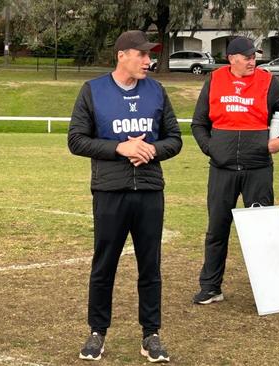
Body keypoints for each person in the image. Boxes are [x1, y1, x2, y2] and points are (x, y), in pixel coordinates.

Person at [68, 30, 182, 363]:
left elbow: (174, 139)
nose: (149, 61)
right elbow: (76, 140)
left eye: (150, 55)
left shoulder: (157, 90)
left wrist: (150, 150)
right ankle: (96, 333)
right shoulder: (93, 90)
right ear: (122, 55)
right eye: (143, 55)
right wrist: (120, 147)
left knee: (151, 267)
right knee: (104, 266)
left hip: (149, 192)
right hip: (110, 192)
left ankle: (151, 335)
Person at [191, 37, 279, 305]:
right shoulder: (214, 80)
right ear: (232, 59)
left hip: (258, 169)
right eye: (248, 57)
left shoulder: (268, 81)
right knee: (217, 230)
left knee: (263, 231)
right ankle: (211, 287)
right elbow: (198, 124)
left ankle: (271, 291)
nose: (253, 61)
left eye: (254, 57)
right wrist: (211, 148)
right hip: (222, 170)